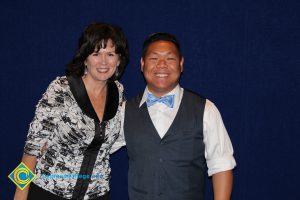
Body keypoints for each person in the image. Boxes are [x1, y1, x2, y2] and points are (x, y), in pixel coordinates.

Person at [113, 32, 236, 200]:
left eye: (170, 58)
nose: (162, 65)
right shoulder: (125, 111)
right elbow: (96, 149)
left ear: (181, 64)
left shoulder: (206, 109)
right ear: (142, 64)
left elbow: (222, 165)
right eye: (154, 58)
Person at [14, 22, 129, 200]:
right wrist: (19, 195)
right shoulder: (61, 89)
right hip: (48, 192)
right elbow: (31, 150)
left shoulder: (119, 92)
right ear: (85, 58)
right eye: (96, 54)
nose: (104, 62)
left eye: (110, 54)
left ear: (119, 60)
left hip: (97, 194)